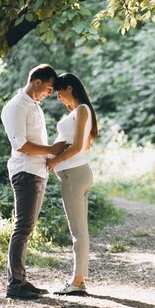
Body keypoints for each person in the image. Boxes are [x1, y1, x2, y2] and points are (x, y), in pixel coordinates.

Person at [1, 64, 68, 300]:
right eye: (49, 88)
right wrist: (51, 149)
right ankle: (14, 284)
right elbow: (20, 144)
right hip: (25, 172)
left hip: (37, 171)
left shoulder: (33, 106)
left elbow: (35, 142)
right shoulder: (17, 106)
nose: (50, 93)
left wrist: (53, 157)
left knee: (26, 228)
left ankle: (20, 279)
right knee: (22, 227)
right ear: (37, 82)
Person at [46, 73, 98, 296]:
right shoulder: (80, 111)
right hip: (78, 173)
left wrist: (54, 161)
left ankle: (77, 282)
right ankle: (79, 280)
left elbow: (77, 147)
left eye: (59, 92)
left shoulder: (82, 110)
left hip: (74, 175)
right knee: (80, 229)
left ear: (69, 88)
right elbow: (84, 144)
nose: (58, 97)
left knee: (77, 231)